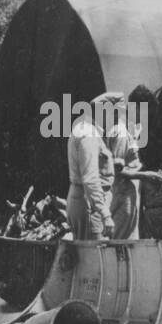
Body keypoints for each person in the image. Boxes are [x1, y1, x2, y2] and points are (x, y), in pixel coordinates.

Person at [66, 98, 115, 240]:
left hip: (85, 201)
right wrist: (105, 214)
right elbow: (90, 179)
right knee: (94, 258)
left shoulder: (83, 129)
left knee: (85, 257)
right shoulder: (89, 135)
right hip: (90, 206)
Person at [103, 91, 143, 240]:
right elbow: (118, 170)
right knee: (121, 241)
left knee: (123, 239)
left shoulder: (122, 131)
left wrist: (135, 138)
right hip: (123, 193)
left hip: (124, 192)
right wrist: (145, 173)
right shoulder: (120, 133)